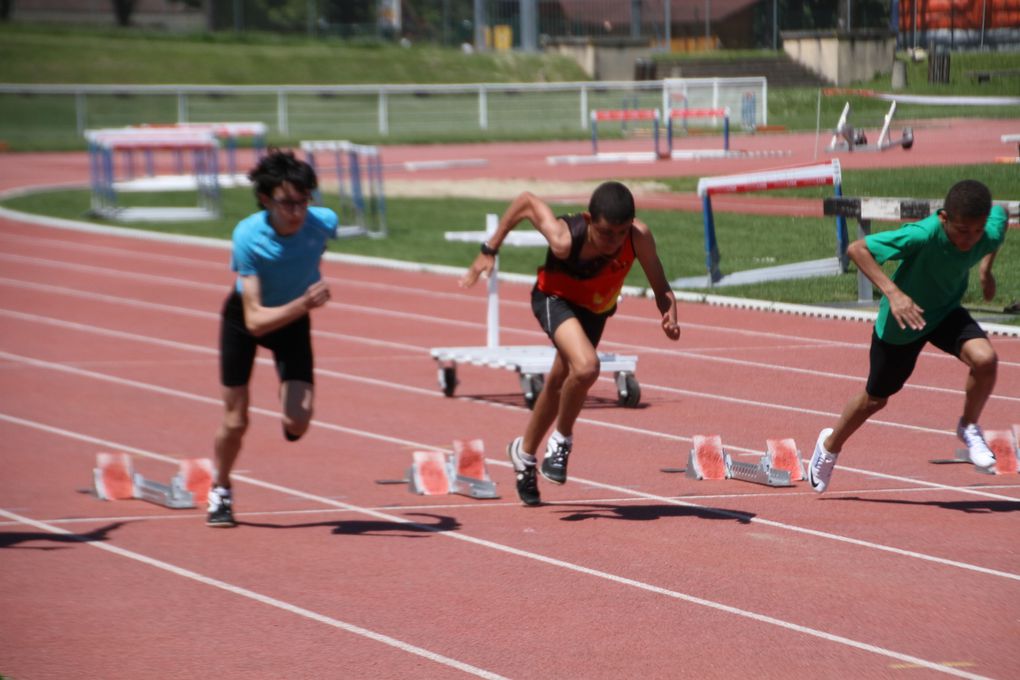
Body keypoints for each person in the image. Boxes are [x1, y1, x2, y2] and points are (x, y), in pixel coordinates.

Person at [460, 181, 681, 506]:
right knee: (588, 366)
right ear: (589, 220)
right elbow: (526, 201)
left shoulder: (638, 237)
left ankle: (523, 454)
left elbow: (661, 285)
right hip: (554, 298)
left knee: (558, 383)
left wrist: (670, 313)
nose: (613, 242)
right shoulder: (566, 238)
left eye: (621, 233)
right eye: (606, 233)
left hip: (595, 309)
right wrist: (489, 249)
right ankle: (561, 441)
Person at [809, 179, 1007, 493]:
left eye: (976, 231)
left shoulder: (989, 231)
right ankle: (830, 445)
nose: (969, 239)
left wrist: (985, 271)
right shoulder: (923, 235)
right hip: (903, 321)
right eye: (961, 230)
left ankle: (968, 427)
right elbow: (857, 249)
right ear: (944, 219)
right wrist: (893, 293)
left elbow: (1000, 214)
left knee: (986, 360)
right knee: (875, 400)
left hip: (944, 311)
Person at [208, 150, 338, 526]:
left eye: (304, 201)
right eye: (287, 203)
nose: (297, 211)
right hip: (246, 319)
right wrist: (304, 302)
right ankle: (221, 488)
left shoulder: (324, 222)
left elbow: (315, 245)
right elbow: (255, 322)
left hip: (293, 320)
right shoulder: (248, 236)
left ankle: (287, 402)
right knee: (235, 421)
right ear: (266, 200)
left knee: (297, 422)